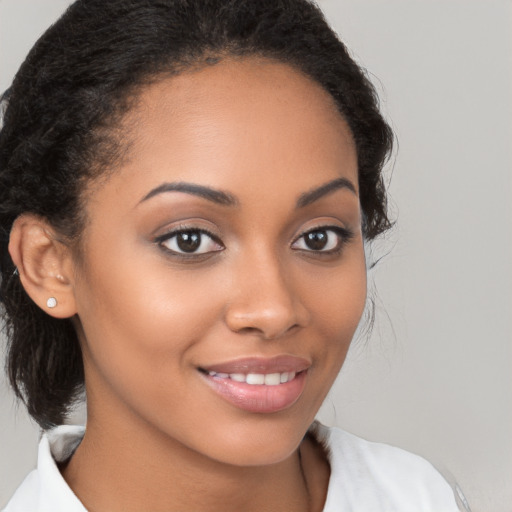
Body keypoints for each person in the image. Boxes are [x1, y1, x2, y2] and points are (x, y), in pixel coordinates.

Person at [0, 0, 461, 510]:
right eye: (190, 240)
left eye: (318, 237)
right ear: (49, 265)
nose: (274, 310)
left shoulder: (420, 497)